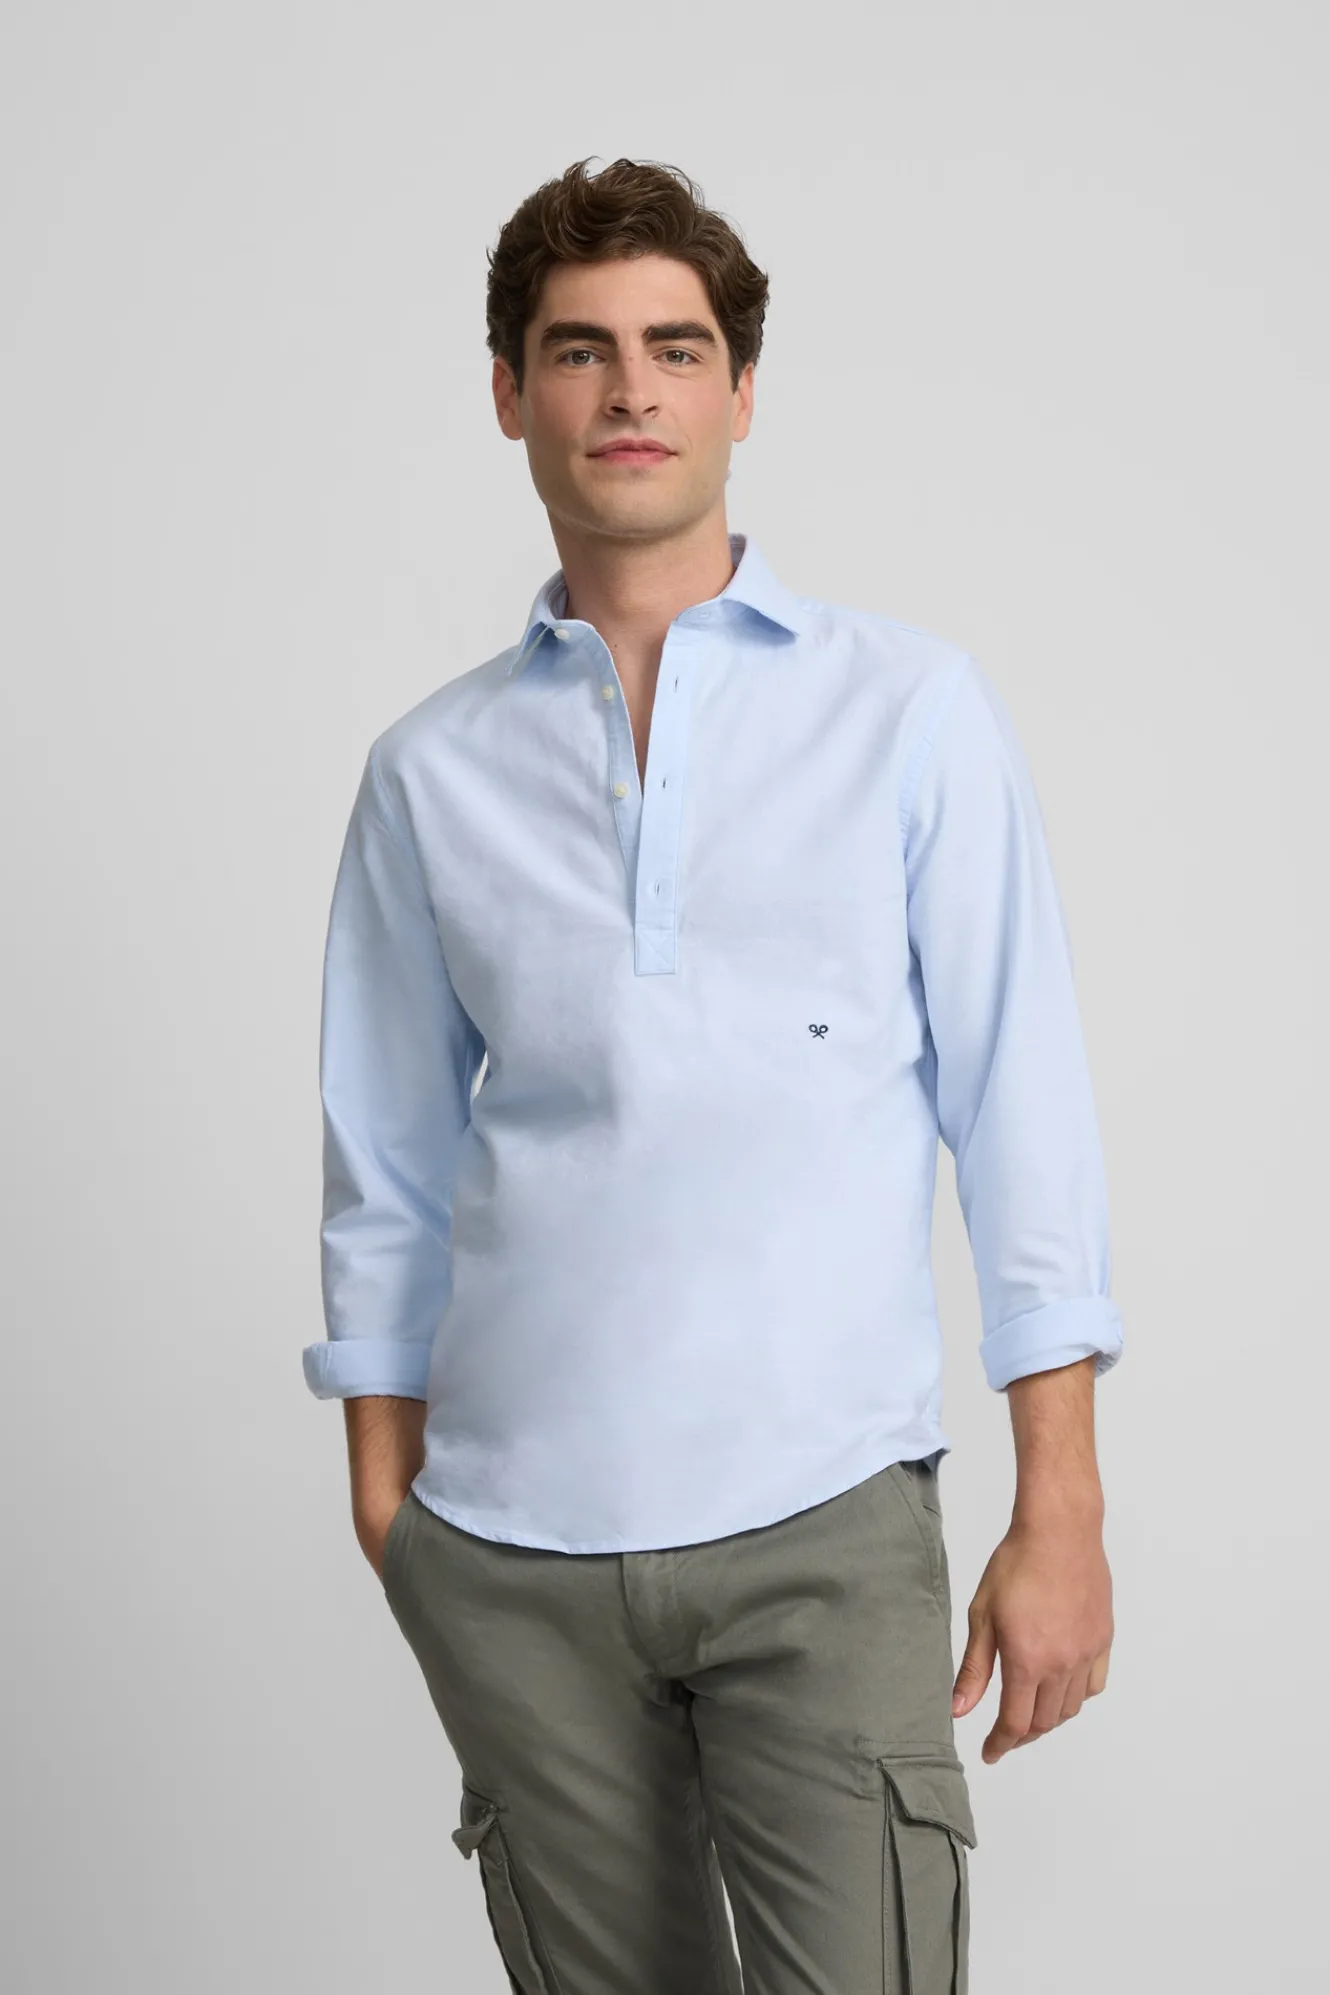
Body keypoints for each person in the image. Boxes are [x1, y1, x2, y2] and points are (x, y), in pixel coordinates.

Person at [301, 154, 1124, 1994]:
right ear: (509, 393)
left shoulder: (906, 711)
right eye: (577, 350)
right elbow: (388, 1163)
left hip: (821, 1522)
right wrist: (391, 1506)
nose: (629, 390)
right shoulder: (430, 771)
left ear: (741, 392)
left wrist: (1058, 1502)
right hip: (511, 1552)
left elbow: (1021, 1111)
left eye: (674, 349)